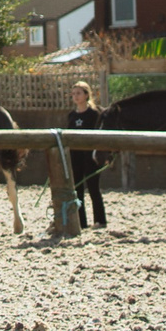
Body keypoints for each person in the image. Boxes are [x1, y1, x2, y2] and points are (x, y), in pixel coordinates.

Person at [67, 81, 110, 228]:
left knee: (93, 188)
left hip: (90, 156)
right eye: (73, 94)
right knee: (77, 189)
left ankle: (100, 220)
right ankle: (81, 222)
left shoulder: (94, 114)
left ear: (86, 95)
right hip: (75, 156)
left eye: (78, 93)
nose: (75, 96)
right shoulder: (71, 116)